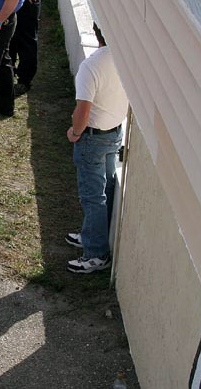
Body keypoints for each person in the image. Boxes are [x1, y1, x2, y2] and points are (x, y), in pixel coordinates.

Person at [65, 23, 130, 274]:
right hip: (114, 132)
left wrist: (74, 133)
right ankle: (92, 234)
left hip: (92, 138)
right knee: (107, 187)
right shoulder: (126, 59)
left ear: (95, 32)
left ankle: (95, 254)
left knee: (93, 196)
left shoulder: (91, 66)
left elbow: (83, 111)